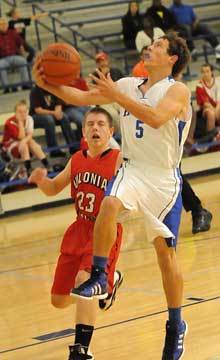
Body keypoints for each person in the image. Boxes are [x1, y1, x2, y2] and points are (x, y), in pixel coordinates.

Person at [33, 31, 191, 359]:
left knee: (166, 257)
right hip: (133, 168)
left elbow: (156, 117)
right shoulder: (127, 84)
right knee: (109, 203)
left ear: (172, 58)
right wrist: (45, 84)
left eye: (158, 46)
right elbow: (80, 99)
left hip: (163, 179)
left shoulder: (178, 90)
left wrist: (115, 97)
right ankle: (99, 277)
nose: (150, 47)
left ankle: (176, 324)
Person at [28, 107, 123, 360]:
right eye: (90, 124)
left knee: (84, 279)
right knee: (59, 299)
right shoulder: (76, 159)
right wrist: (41, 181)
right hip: (79, 229)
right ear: (82, 131)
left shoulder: (118, 158)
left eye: (101, 124)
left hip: (103, 231)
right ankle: (106, 288)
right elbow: (53, 188)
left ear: (110, 131)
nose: (95, 128)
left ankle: (82, 350)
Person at [2, 100, 51, 177]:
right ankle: (29, 169)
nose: (23, 114)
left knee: (31, 142)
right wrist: (20, 122)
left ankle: (48, 165)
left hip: (22, 144)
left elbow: (29, 135)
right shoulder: (9, 122)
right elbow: (21, 136)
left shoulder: (29, 119)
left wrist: (24, 141)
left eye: (25, 111)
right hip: (8, 148)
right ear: (15, 113)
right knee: (26, 144)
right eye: (20, 112)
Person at [29, 85, 77, 157]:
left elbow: (58, 103)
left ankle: (73, 146)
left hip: (51, 113)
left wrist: (58, 111)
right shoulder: (35, 91)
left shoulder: (53, 87)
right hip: (36, 116)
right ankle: (54, 151)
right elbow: (38, 110)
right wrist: (54, 113)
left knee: (64, 117)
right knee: (49, 120)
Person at [92, 52, 123, 136]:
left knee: (126, 110)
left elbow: (123, 85)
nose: (102, 63)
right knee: (114, 115)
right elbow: (97, 91)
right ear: (97, 64)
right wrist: (104, 75)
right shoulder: (95, 75)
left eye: (103, 60)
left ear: (107, 60)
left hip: (117, 97)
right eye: (99, 62)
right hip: (104, 100)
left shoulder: (116, 71)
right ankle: (120, 134)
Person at [0, 17, 30, 93]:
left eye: (4, 24)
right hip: (3, 58)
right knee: (0, 65)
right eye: (1, 24)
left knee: (23, 61)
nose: (3, 26)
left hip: (14, 56)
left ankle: (25, 84)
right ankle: (6, 87)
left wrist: (22, 51)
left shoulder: (12, 32)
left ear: (7, 25)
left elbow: (20, 42)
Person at [196, 63, 220, 133]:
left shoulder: (218, 82)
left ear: (211, 72)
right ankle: (210, 136)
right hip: (206, 108)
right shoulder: (200, 85)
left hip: (217, 106)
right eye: (203, 72)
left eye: (207, 71)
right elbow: (206, 104)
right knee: (211, 114)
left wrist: (217, 110)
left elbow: (219, 100)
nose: (205, 74)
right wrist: (216, 113)